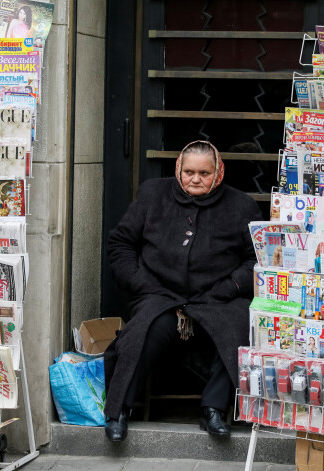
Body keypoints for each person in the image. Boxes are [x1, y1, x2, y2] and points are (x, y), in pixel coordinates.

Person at [104, 140, 262, 441]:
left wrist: (229, 288)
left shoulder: (242, 205)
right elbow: (121, 243)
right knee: (143, 330)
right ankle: (119, 409)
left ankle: (214, 409)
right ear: (178, 168)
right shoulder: (153, 193)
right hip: (160, 295)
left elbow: (256, 258)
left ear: (219, 172)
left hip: (217, 298)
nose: (195, 179)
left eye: (204, 173)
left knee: (240, 324)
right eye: (189, 171)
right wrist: (141, 283)